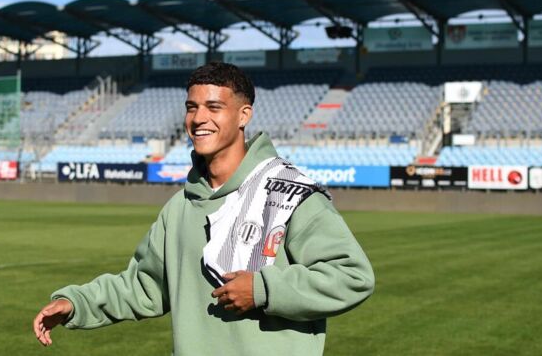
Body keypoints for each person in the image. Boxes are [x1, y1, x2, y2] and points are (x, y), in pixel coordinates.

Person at [33, 62, 374, 355]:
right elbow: (144, 285)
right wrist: (76, 303)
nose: (199, 119)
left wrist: (263, 290)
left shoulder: (288, 193)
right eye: (191, 107)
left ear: (244, 115)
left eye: (214, 107)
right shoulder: (179, 207)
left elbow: (352, 276)